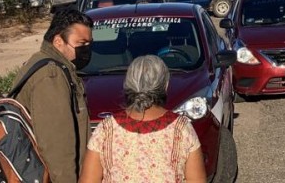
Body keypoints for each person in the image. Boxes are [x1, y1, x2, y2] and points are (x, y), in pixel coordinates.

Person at [78, 55, 205, 183]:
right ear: (165, 86)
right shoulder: (181, 129)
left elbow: (89, 180)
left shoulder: (106, 130)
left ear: (127, 85)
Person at [13, 8, 94, 183]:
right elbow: (57, 147)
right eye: (81, 44)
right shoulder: (51, 76)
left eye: (89, 44)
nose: (86, 50)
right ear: (58, 41)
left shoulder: (45, 62)